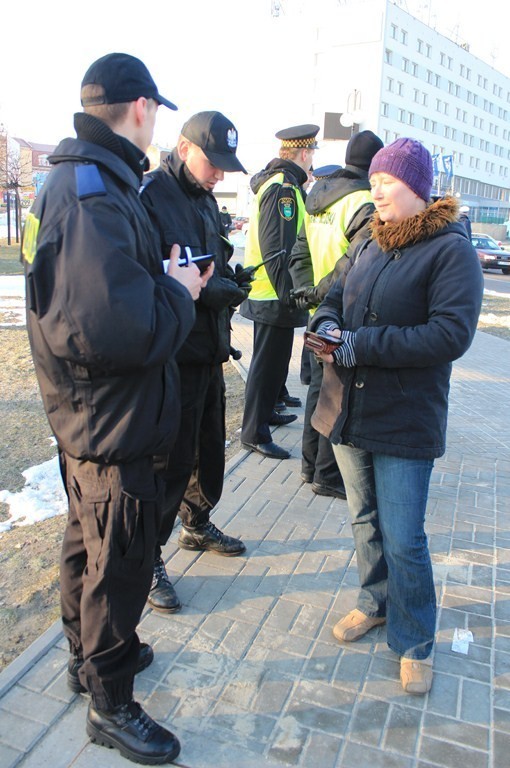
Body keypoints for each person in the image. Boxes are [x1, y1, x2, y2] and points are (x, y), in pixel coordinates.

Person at [22, 53, 208, 763]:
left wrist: (154, 280)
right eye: (156, 110)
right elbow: (117, 329)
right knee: (120, 564)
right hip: (110, 419)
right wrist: (180, 291)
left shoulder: (82, 181)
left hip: (88, 416)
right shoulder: (94, 192)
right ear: (140, 108)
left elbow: (86, 301)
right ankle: (111, 703)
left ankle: (86, 662)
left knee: (89, 547)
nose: (156, 120)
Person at [309, 137, 483, 694]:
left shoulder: (450, 250)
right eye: (375, 179)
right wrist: (330, 324)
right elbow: (331, 293)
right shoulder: (368, 241)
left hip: (404, 417)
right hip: (348, 408)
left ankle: (415, 639)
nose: (376, 188)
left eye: (390, 181)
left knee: (405, 536)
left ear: (418, 189)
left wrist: (362, 345)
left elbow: (449, 333)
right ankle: (375, 602)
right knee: (365, 520)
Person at [141, 111, 251, 614]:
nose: (220, 175)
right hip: (174, 355)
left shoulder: (206, 200)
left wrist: (232, 278)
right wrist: (211, 290)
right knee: (169, 464)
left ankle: (196, 522)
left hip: (209, 350)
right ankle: (146, 560)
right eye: (214, 162)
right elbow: (158, 273)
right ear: (184, 148)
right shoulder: (151, 197)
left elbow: (213, 263)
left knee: (208, 452)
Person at [289, 130, 384, 499]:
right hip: (344, 309)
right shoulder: (365, 202)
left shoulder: (319, 194)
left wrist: (308, 293)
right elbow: (352, 265)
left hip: (318, 309)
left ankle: (309, 465)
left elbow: (299, 248)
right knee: (337, 396)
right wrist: (323, 295)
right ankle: (328, 476)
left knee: (317, 391)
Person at [240, 124, 318, 459]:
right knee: (266, 365)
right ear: (303, 154)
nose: (312, 160)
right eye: (312, 155)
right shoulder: (283, 189)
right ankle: (254, 432)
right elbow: (278, 248)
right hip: (274, 293)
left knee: (273, 362)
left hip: (272, 291)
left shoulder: (283, 185)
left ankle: (267, 411)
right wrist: (290, 294)